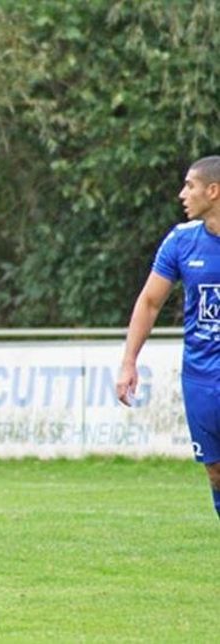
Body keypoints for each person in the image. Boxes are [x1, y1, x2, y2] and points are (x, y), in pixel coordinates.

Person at [117, 155, 220, 520]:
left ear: (213, 190)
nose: (182, 194)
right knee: (215, 471)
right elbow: (149, 302)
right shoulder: (181, 242)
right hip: (201, 377)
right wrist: (129, 362)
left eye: (189, 186)